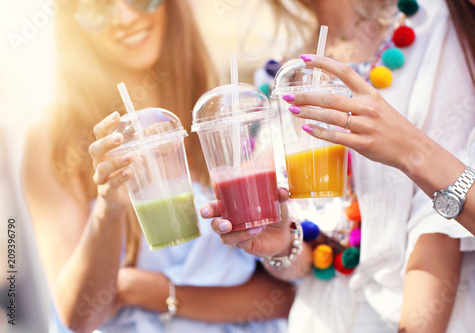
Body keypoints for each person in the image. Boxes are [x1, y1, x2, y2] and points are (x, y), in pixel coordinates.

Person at [202, 0, 475, 331]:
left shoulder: (431, 24)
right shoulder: (277, 73)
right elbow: (309, 259)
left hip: (425, 314)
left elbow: (441, 218)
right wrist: (281, 246)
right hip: (319, 318)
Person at [21, 1, 294, 332]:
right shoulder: (56, 141)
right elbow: (82, 316)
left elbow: (284, 296)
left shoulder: (217, 116)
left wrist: (154, 292)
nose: (124, 18)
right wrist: (109, 210)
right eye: (97, 7)